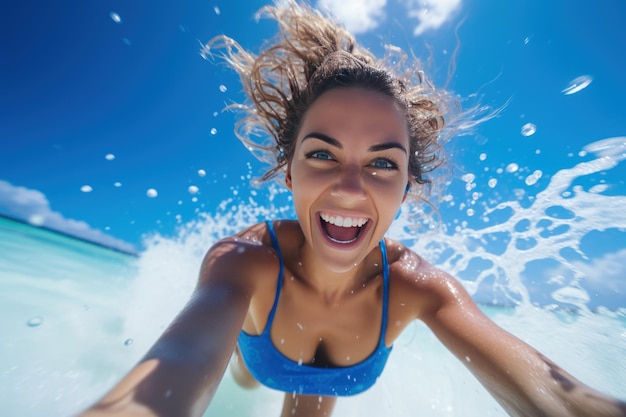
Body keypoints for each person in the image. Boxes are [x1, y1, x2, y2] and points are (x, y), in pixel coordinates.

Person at [79, 2, 626, 417]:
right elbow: (175, 365)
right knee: (241, 382)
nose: (348, 188)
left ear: (406, 188)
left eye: (383, 164)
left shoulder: (418, 287)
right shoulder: (243, 262)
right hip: (257, 350)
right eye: (322, 154)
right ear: (289, 172)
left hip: (331, 374)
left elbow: (548, 388)